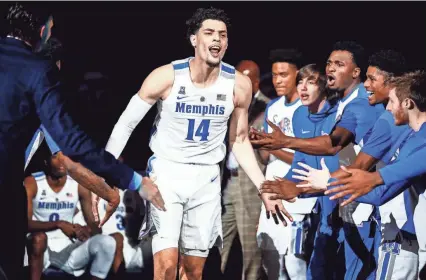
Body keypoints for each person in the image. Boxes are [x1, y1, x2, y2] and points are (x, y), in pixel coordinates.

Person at [103, 7, 291, 280]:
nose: (217, 39)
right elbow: (125, 125)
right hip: (166, 173)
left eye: (223, 35)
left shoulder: (238, 84)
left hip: (207, 178)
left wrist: (263, 187)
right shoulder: (166, 76)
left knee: (193, 271)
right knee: (166, 266)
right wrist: (105, 172)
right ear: (194, 39)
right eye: (210, 33)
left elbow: (238, 140)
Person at [0, 3, 163, 279]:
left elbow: (66, 159)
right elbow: (72, 149)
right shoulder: (39, 72)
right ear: (42, 33)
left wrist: (109, 192)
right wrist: (128, 182)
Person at [263, 50, 413, 279]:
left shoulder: (369, 108)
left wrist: (286, 144)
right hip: (354, 202)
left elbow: (339, 150)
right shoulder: (351, 106)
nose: (331, 68)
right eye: (329, 63)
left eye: (339, 64)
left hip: (373, 209)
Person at [320, 71, 426, 276]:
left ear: (408, 104)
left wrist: (330, 183)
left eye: (392, 101)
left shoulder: (419, 140)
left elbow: (381, 192)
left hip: (404, 237)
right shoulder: (412, 137)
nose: (387, 108)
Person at [255, 49, 314, 280]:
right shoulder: (273, 107)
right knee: (271, 260)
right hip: (272, 192)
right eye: (275, 75)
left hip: (296, 195)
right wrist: (261, 145)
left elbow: (306, 157)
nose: (278, 80)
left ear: (297, 75)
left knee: (295, 262)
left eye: (283, 75)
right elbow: (266, 157)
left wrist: (272, 146)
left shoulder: (307, 109)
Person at [25, 153, 117, 280]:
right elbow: (24, 224)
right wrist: (59, 224)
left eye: (65, 157)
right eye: (56, 157)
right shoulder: (32, 182)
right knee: (38, 239)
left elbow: (93, 224)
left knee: (107, 242)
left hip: (69, 248)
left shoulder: (78, 183)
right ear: (46, 161)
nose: (61, 162)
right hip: (41, 250)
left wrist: (87, 231)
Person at [220, 60, 266, 280]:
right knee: (216, 243)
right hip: (226, 181)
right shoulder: (227, 103)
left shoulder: (267, 107)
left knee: (251, 250)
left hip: (249, 184)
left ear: (255, 82)